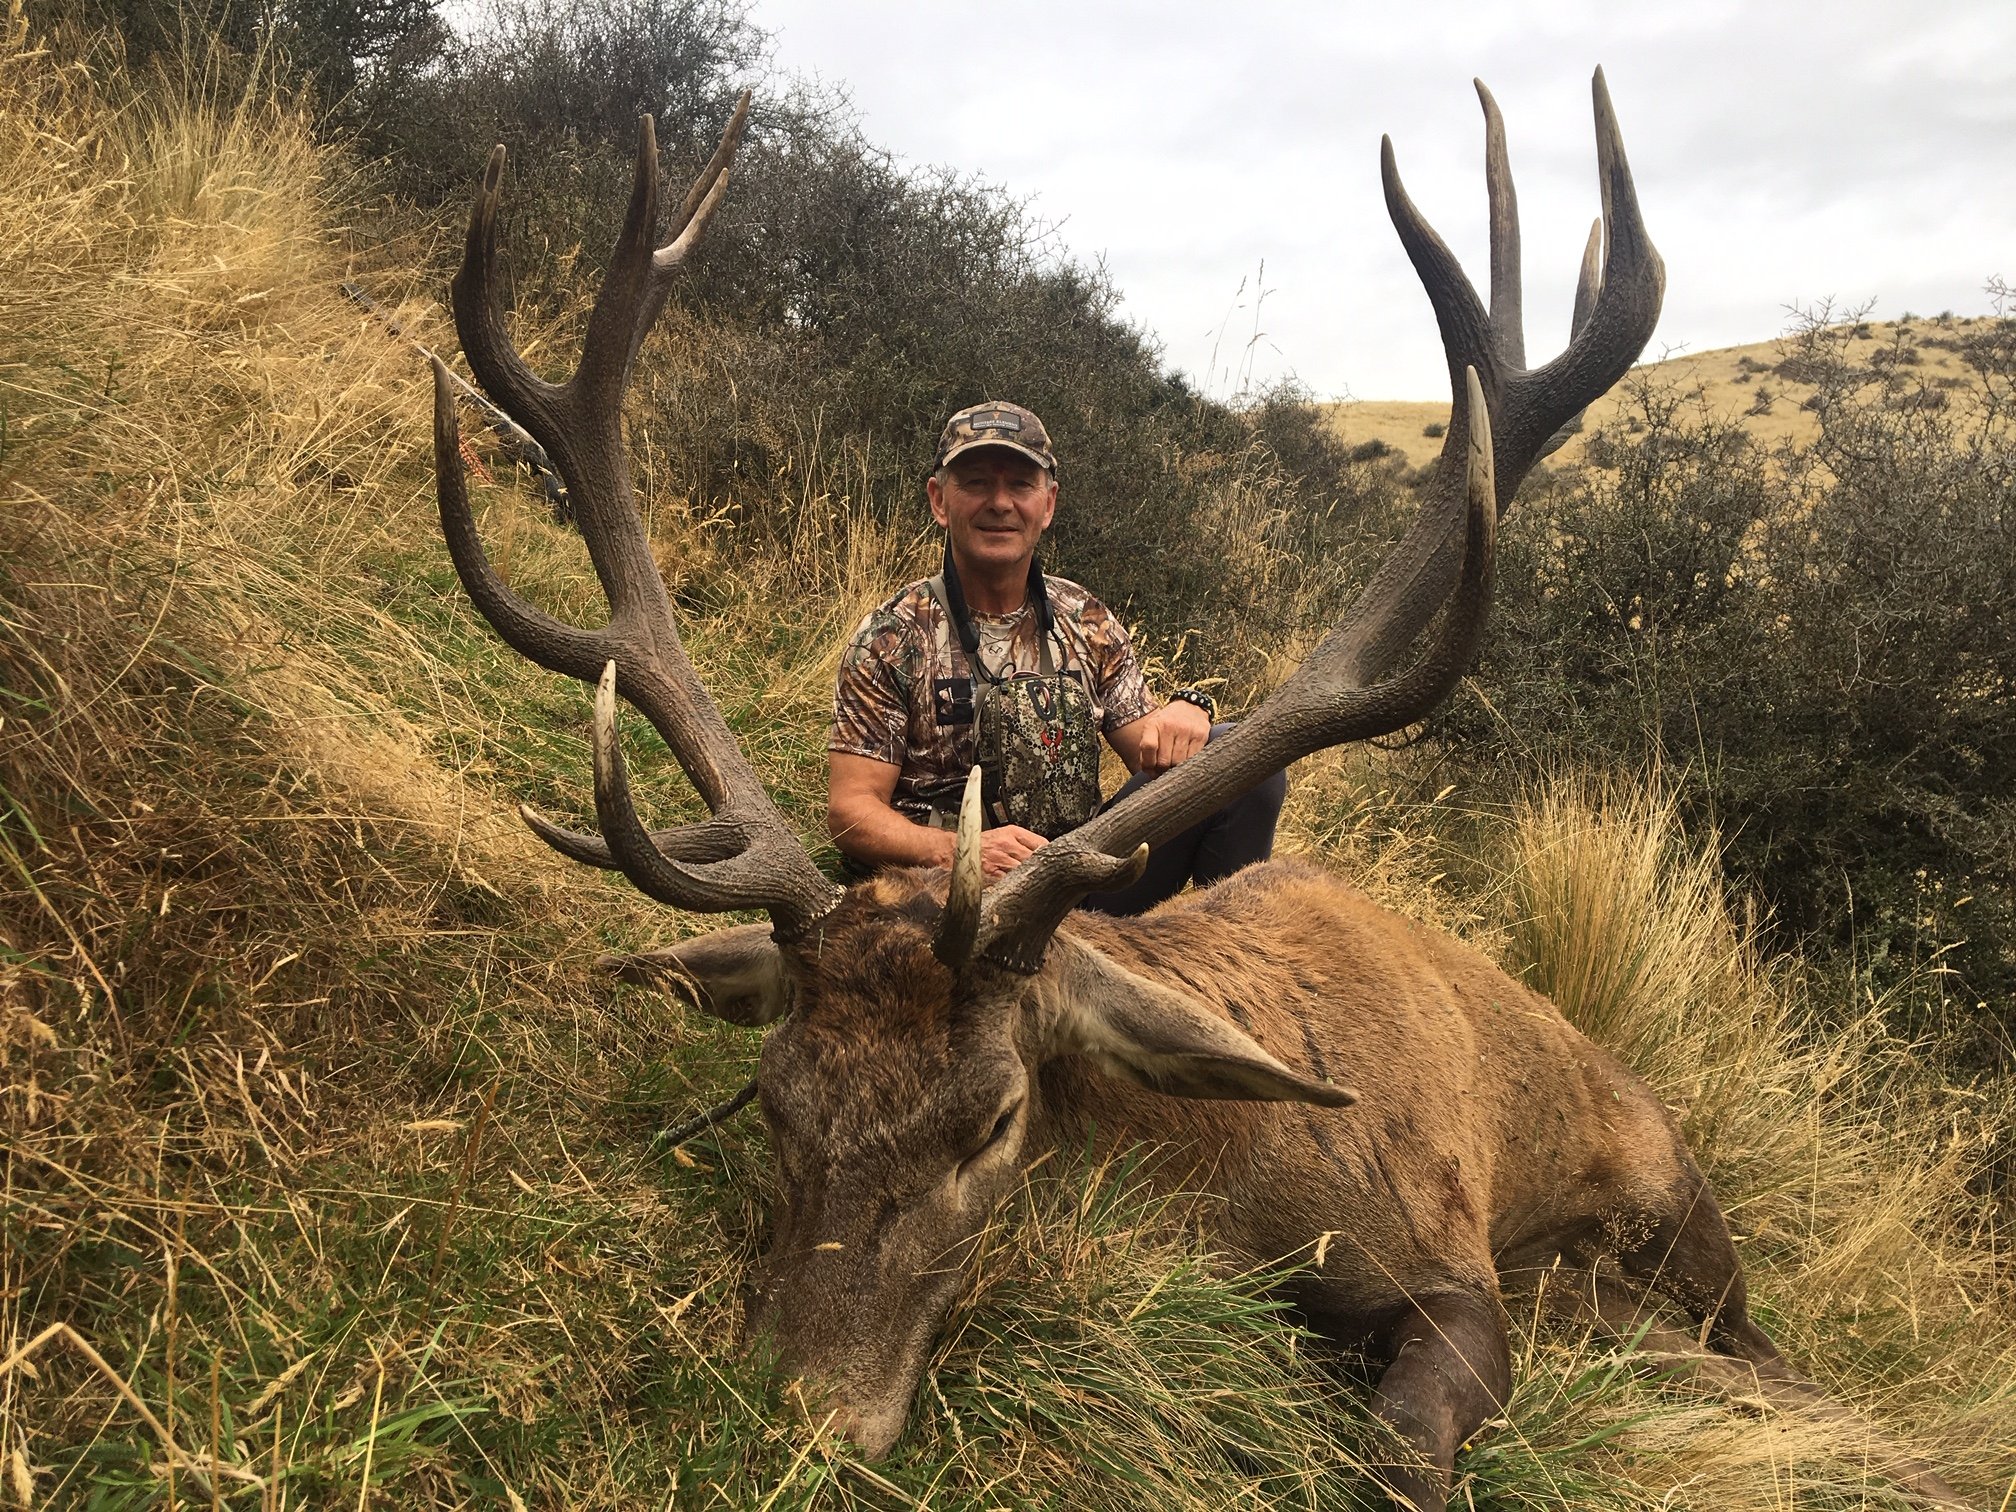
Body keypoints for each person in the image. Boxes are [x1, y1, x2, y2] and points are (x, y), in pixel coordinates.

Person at [826, 400, 1286, 912]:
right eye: (976, 482)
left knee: (1247, 760)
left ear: (1047, 505)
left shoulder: (1084, 618)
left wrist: (1189, 712)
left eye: (1021, 485)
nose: (1000, 503)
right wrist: (963, 851)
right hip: (949, 902)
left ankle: (1227, 957)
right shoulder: (891, 635)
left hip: (1076, 886)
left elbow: (1151, 755)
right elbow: (851, 811)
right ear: (939, 500)